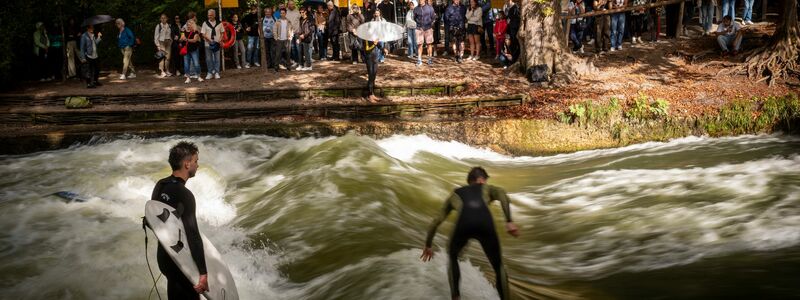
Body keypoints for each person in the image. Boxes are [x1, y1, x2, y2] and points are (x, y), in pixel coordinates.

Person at [420, 167, 519, 300]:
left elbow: (437, 221)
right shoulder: (486, 188)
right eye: (485, 180)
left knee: (453, 256)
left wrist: (428, 245)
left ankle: (456, 296)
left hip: (464, 224)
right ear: (481, 180)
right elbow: (502, 194)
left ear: (470, 181)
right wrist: (509, 220)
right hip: (485, 223)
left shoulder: (455, 194)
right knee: (498, 266)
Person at [151, 141, 208, 300]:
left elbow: (153, 220)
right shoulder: (185, 194)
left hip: (164, 257)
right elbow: (192, 234)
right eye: (196, 161)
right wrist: (203, 273)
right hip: (180, 262)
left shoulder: (161, 185)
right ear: (187, 164)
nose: (198, 165)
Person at [201, 9, 224, 79]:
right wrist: (209, 40)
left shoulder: (219, 23)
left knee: (217, 59)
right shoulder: (205, 23)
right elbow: (203, 34)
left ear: (214, 15)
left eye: (211, 15)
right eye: (208, 15)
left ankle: (217, 72)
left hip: (216, 44)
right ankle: (210, 73)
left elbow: (222, 32)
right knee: (208, 59)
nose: (209, 16)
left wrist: (220, 39)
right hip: (208, 44)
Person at [414, 0, 436, 66]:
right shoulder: (416, 9)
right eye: (419, 0)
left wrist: (429, 25)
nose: (420, 1)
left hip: (428, 28)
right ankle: (419, 60)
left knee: (429, 44)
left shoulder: (430, 8)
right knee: (419, 44)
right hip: (419, 29)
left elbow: (433, 17)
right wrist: (419, 26)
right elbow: (415, 18)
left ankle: (429, 59)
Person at [286, 1, 302, 66]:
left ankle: (300, 61)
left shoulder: (297, 12)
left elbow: (301, 20)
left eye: (292, 4)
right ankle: (295, 61)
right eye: (290, 4)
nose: (291, 5)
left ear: (294, 5)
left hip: (297, 32)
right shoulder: (286, 12)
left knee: (298, 47)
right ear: (288, 5)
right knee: (292, 48)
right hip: (290, 32)